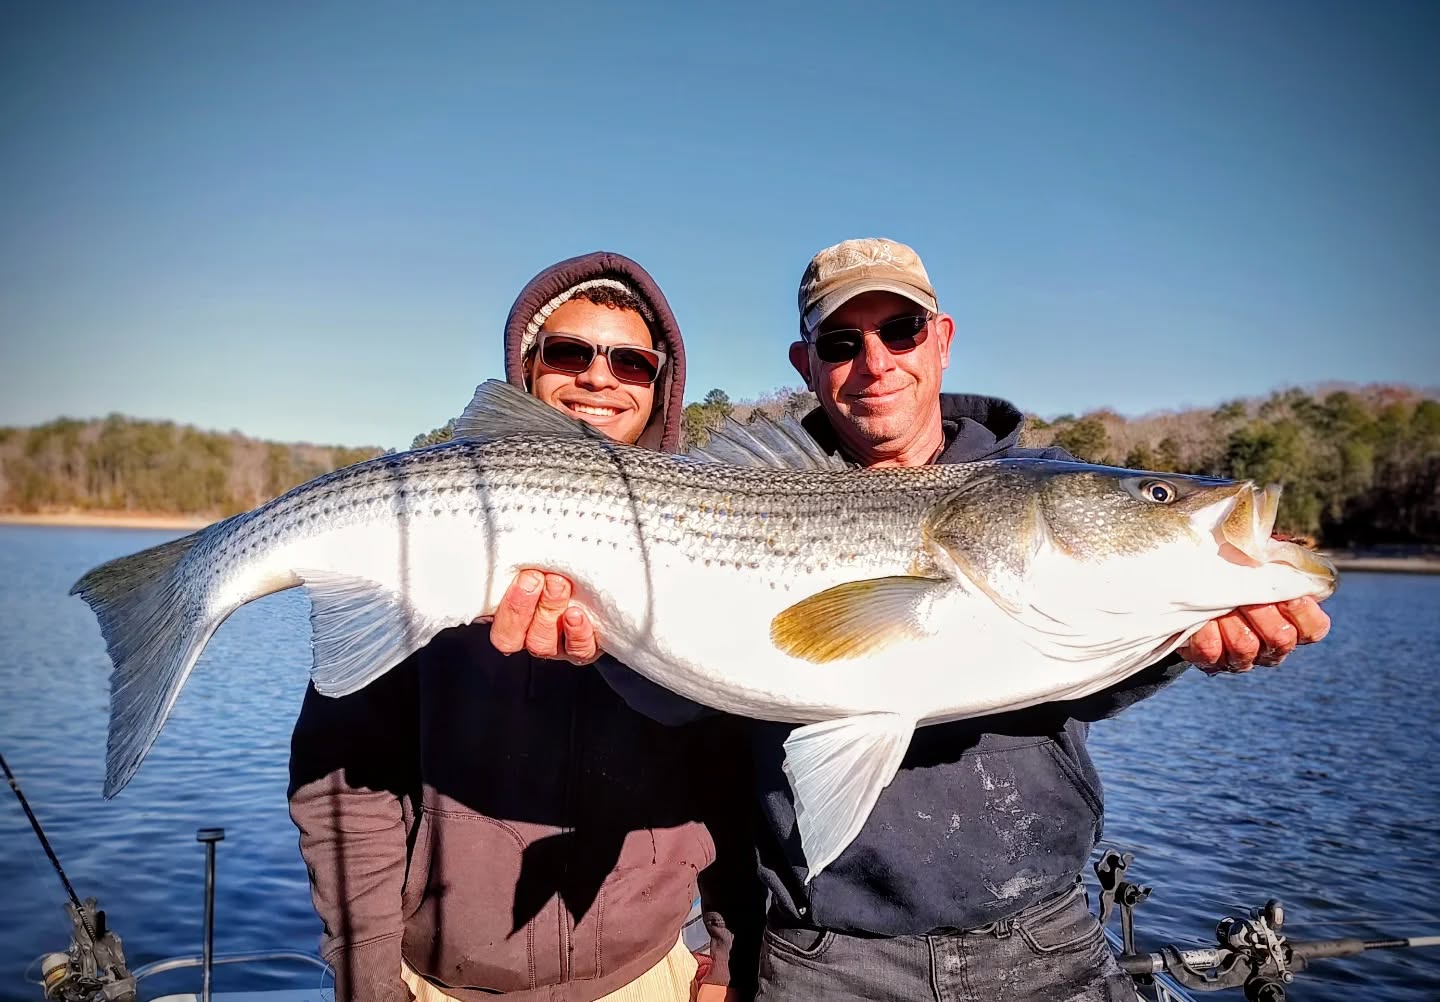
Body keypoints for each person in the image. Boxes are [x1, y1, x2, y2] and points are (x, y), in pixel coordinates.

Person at [498, 238, 1331, 1002]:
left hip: (1045, 942)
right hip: (826, 959)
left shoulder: (1023, 485)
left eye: (900, 329)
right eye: (840, 341)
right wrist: (603, 646)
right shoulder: (747, 488)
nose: (875, 361)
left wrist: (1179, 641)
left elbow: (1071, 677)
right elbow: (697, 711)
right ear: (806, 362)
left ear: (941, 338)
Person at [288, 251, 762, 1002]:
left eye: (631, 363)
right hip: (439, 984)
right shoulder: (429, 540)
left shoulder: (723, 543)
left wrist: (731, 957)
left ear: (661, 386)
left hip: (650, 977)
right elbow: (343, 785)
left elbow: (739, 787)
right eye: (569, 352)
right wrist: (368, 983)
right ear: (527, 367)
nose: (599, 377)